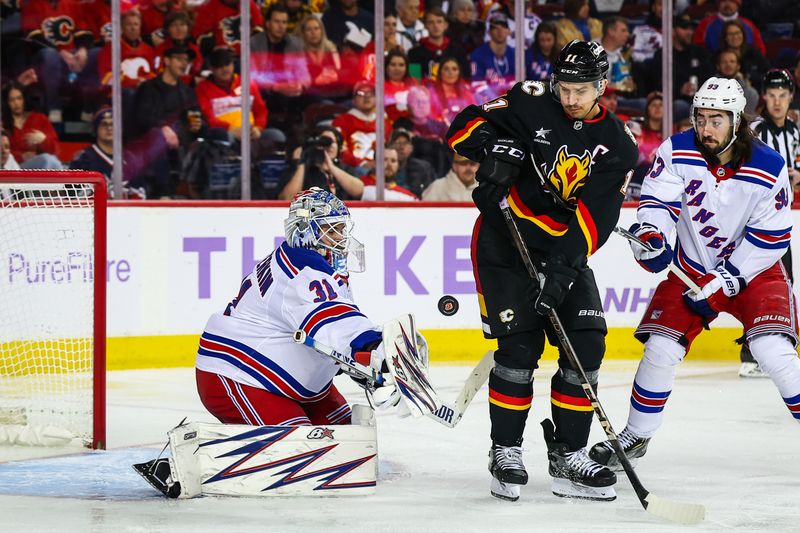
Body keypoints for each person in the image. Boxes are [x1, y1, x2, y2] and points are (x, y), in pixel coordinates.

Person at [446, 40, 638, 502]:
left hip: (564, 250)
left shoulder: (617, 144)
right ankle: (505, 450)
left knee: (586, 343)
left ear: (602, 87)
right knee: (519, 347)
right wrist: (494, 147)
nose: (569, 98)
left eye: (581, 90)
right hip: (504, 242)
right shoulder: (530, 99)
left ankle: (568, 454)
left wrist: (562, 271)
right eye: (564, 87)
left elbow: (595, 219)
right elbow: (461, 128)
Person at [589, 77, 800, 472]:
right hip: (691, 268)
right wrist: (650, 236)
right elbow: (656, 203)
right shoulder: (677, 150)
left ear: (737, 121)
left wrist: (729, 277)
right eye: (700, 118)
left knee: (774, 351)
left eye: (716, 120)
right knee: (660, 348)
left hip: (755, 272)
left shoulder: (769, 165)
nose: (705, 128)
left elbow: (771, 237)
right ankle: (636, 433)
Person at [196, 187, 383, 427]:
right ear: (306, 231)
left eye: (341, 229)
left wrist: (357, 363)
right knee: (304, 447)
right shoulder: (302, 269)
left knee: (347, 437)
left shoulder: (316, 266)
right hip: (239, 374)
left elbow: (324, 334)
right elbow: (331, 323)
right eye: (331, 230)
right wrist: (372, 345)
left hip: (282, 377)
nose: (340, 237)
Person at [740, 69, 800, 377]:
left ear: (791, 97)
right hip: (752, 224)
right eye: (772, 96)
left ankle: (775, 349)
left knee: (782, 283)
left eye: (783, 96)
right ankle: (750, 354)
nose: (777, 102)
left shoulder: (795, 131)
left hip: (779, 223)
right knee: (754, 286)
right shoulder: (756, 130)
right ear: (766, 97)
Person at [70, 107, 146, 199]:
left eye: (113, 124)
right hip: (93, 212)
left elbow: (140, 194)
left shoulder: (131, 159)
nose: (109, 128)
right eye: (104, 124)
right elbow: (73, 195)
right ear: (96, 130)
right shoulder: (84, 159)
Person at [277, 126, 364, 201]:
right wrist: (302, 163)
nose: (326, 147)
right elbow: (287, 199)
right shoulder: (299, 171)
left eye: (330, 142)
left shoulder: (346, 170)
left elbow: (359, 191)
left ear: (339, 147)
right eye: (322, 142)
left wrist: (331, 167)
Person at [2, 81, 62, 170]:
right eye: (12, 100)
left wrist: (43, 140)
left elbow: (56, 150)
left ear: (24, 99)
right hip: (13, 167)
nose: (16, 103)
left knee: (49, 160)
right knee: (47, 160)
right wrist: (21, 156)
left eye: (19, 98)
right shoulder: (3, 122)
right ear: (6, 102)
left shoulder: (39, 119)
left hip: (41, 166)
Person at [469, 13, 516, 100]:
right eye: (495, 28)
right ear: (489, 32)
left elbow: (520, 81)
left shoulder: (515, 54)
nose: (500, 30)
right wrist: (496, 101)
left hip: (512, 101)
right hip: (488, 102)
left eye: (503, 27)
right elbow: (477, 85)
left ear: (509, 31)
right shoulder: (478, 54)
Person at [693, 0, 765, 56]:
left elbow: (760, 49)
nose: (727, 4)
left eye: (731, 1)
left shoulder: (749, 24)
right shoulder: (705, 24)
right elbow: (698, 48)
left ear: (737, 5)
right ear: (719, 4)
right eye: (724, 1)